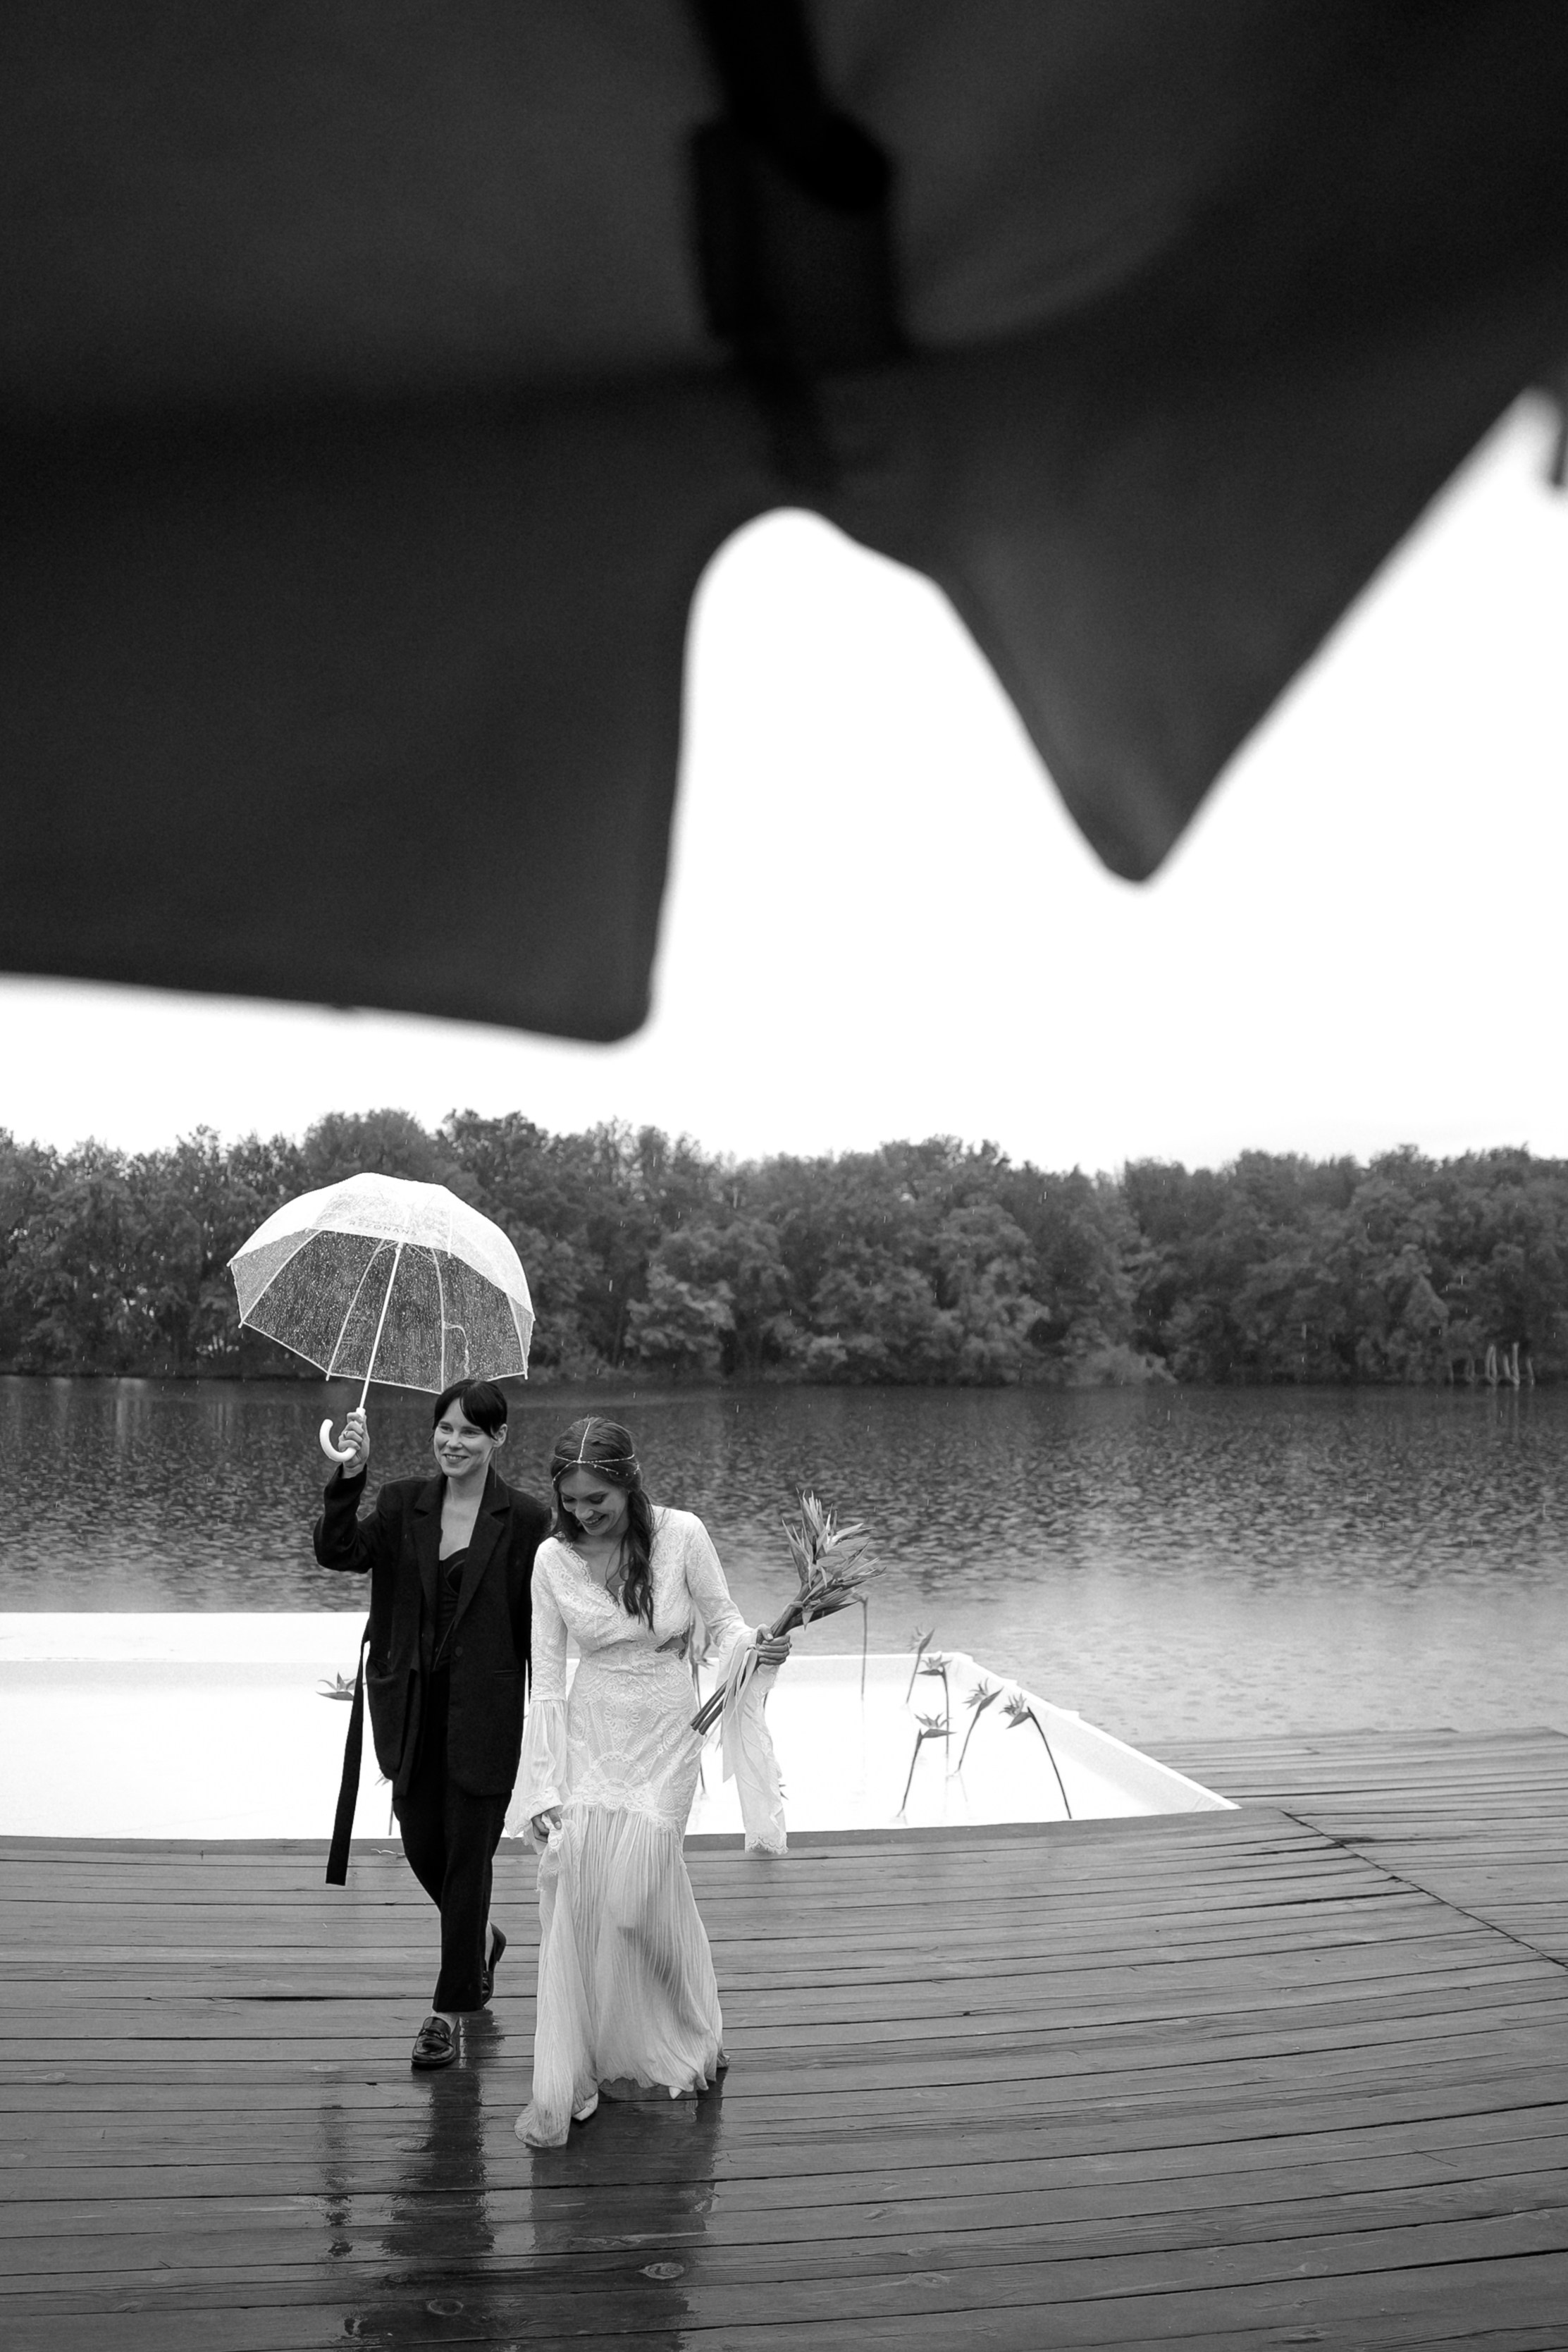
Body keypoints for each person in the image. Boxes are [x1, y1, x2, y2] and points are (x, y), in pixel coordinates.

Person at [510, 1415, 790, 2148]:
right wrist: (540, 1785)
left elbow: (724, 1623)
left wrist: (758, 1647)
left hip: (670, 1731)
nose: (581, 1513)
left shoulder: (683, 1535)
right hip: (592, 1733)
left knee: (635, 1901)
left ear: (628, 1485)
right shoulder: (550, 1560)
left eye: (595, 1499)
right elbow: (545, 1677)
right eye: (569, 1500)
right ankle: (597, 2053)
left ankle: (693, 2022)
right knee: (584, 1899)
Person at [314, 1379, 550, 2071]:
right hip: (410, 1711)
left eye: (469, 1432)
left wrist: (553, 1728)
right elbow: (337, 1551)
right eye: (444, 1428)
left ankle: (446, 2015)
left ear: (497, 1438)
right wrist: (349, 1475)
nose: (453, 1442)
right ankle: (478, 1940)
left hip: (486, 1716)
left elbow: (543, 1628)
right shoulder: (398, 1503)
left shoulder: (527, 1520)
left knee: (466, 1862)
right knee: (423, 1846)